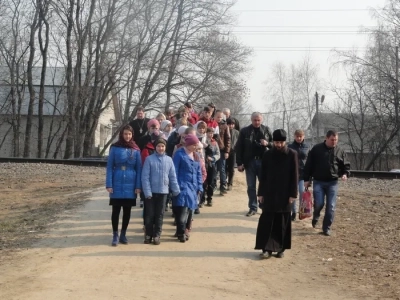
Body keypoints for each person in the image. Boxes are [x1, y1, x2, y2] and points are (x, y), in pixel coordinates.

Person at [255, 129, 298, 259]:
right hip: (269, 192)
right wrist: (260, 193)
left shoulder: (292, 154)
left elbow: (295, 175)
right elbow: (263, 175)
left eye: (281, 142)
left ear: (285, 142)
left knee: (283, 222)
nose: (278, 145)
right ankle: (266, 248)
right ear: (273, 142)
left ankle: (281, 248)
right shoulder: (268, 155)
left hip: (285, 193)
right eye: (276, 142)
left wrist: (293, 194)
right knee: (267, 221)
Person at [303, 130, 350, 236]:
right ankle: (316, 215)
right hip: (318, 181)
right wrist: (306, 179)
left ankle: (326, 228)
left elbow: (345, 165)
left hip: (332, 183)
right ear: (326, 138)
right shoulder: (316, 149)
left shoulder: (340, 151)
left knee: (331, 206)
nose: (334, 142)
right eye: (332, 140)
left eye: (336, 140)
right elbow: (309, 165)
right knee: (319, 203)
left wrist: (345, 174)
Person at [106, 125, 142, 246]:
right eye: (125, 134)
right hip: (117, 180)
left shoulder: (136, 150)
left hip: (131, 183)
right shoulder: (115, 148)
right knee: (115, 210)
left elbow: (139, 169)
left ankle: (123, 234)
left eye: (129, 134)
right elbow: (110, 167)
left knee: (127, 211)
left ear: (132, 135)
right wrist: (109, 184)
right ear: (122, 134)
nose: (127, 136)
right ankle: (115, 234)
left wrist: (138, 186)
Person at [141, 138, 180, 245]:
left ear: (165, 147)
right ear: (155, 147)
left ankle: (157, 235)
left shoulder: (169, 160)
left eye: (162, 146)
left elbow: (172, 176)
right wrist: (147, 192)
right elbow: (145, 177)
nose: (160, 148)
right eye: (158, 146)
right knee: (149, 215)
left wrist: (176, 190)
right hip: (151, 193)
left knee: (160, 215)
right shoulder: (149, 159)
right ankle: (148, 234)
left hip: (163, 192)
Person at [235, 112, 272, 216]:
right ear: (251, 120)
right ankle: (253, 207)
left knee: (264, 185)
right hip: (249, 162)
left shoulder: (267, 130)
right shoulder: (244, 131)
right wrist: (239, 163)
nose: (257, 122)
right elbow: (239, 148)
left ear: (262, 120)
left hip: (264, 162)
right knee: (251, 186)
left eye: (258, 120)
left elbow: (275, 145)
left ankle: (264, 206)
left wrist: (267, 143)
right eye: (255, 120)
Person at [173, 134, 203, 243]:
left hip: (193, 187)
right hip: (182, 186)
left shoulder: (196, 156)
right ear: (189, 144)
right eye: (194, 145)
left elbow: (199, 173)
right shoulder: (179, 154)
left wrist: (200, 186)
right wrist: (175, 186)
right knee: (181, 212)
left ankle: (184, 231)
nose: (196, 147)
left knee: (190, 211)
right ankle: (181, 232)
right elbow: (174, 171)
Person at [288, 129, 310, 221]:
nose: (299, 138)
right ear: (294, 136)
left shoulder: (307, 146)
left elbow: (310, 160)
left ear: (303, 136)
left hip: (303, 174)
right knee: (292, 193)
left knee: (301, 192)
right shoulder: (290, 146)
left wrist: (310, 175)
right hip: (292, 173)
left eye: (300, 136)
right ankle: (293, 212)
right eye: (297, 136)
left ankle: (302, 211)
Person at [200, 127, 220, 207]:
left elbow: (218, 154)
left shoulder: (214, 142)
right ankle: (201, 200)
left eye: (212, 133)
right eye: (209, 132)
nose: (210, 134)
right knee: (203, 183)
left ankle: (209, 198)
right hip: (203, 164)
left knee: (211, 182)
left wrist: (213, 158)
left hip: (212, 164)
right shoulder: (202, 141)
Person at [214, 110, 231, 195]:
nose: (219, 118)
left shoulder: (225, 126)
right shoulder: (212, 124)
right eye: (218, 117)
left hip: (221, 149)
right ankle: (212, 186)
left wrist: (227, 151)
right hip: (212, 149)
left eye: (221, 117)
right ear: (214, 116)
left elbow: (228, 139)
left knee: (222, 169)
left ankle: (223, 186)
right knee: (213, 169)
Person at [226, 118, 239, 190]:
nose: (231, 126)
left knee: (231, 168)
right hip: (225, 151)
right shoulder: (224, 131)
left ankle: (230, 183)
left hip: (233, 152)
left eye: (232, 124)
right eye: (229, 124)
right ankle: (224, 183)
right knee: (224, 168)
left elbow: (239, 142)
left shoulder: (237, 132)